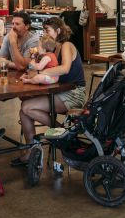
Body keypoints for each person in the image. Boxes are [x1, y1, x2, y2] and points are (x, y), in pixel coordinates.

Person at [14, 17, 86, 167]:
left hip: (74, 93)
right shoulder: (53, 49)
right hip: (60, 91)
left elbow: (64, 68)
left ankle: (64, 133)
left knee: (27, 107)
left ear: (58, 31)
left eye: (47, 30)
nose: (44, 33)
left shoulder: (66, 45)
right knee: (23, 110)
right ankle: (31, 151)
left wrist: (40, 69)